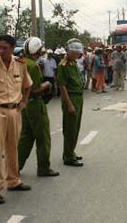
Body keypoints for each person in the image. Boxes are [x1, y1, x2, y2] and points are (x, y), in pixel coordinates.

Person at [0, 35, 33, 205]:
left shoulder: (21, 64)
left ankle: (13, 181)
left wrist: (23, 102)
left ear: (12, 47)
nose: (1, 51)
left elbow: (27, 85)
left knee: (13, 148)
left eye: (5, 48)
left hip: (14, 110)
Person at [18, 37, 60, 177]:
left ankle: (15, 167)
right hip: (35, 104)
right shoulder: (33, 66)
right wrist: (47, 85)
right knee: (43, 137)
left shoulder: (21, 63)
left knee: (26, 137)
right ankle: (43, 168)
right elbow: (34, 90)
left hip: (24, 105)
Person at [57, 39, 84, 167]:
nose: (79, 55)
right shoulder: (63, 65)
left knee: (75, 127)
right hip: (71, 97)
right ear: (70, 52)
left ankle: (70, 152)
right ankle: (68, 157)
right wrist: (69, 104)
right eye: (77, 53)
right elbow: (62, 86)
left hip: (78, 97)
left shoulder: (73, 63)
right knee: (70, 129)